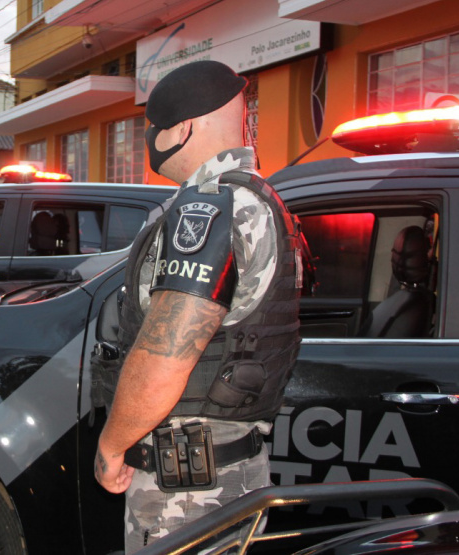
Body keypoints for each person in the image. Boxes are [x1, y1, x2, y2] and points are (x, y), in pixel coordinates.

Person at [92, 61, 302, 553]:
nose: (148, 140)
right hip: (227, 475)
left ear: (182, 128)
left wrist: (112, 444)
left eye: (153, 128)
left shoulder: (209, 207)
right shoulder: (261, 200)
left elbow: (167, 354)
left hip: (184, 493)